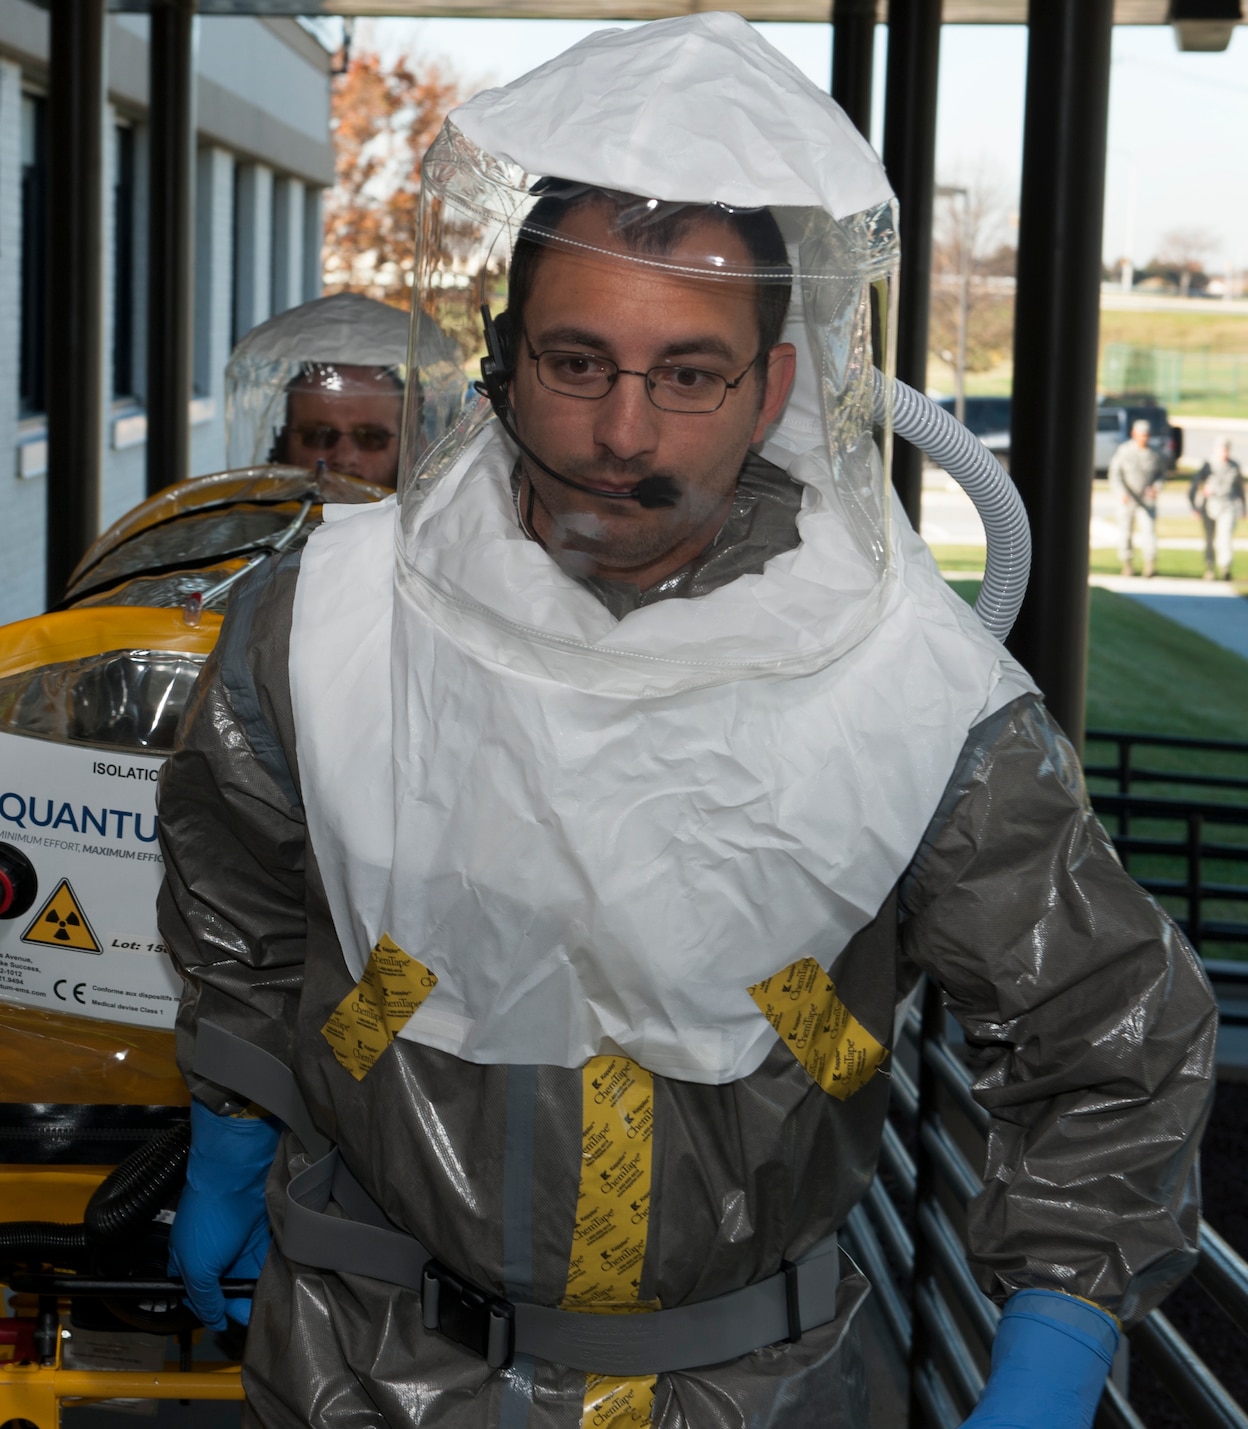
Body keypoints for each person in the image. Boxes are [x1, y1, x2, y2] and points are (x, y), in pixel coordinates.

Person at [157, 16, 1212, 1429]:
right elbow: (239, 883)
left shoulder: (914, 689)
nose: (626, 434)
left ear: (777, 386)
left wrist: (1055, 1336)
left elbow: (1106, 1030)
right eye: (579, 361)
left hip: (743, 1385)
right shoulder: (331, 622)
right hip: (366, 1353)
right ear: (500, 357)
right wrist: (230, 1116)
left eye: (691, 371)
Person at [225, 292, 462, 490]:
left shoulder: (439, 544)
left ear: (412, 450)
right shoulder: (244, 540)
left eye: (371, 438)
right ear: (284, 443)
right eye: (319, 435)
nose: (344, 458)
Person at [1111, 418, 1170, 578]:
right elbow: (1115, 474)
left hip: (1146, 500)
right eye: (1141, 435)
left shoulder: (1155, 454)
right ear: (1134, 434)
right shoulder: (1124, 451)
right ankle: (1127, 565)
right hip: (1128, 499)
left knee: (1149, 532)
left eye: (1147, 435)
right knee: (1125, 532)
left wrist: (1156, 488)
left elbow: (1162, 475)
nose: (1144, 438)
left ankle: (1149, 565)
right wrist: (1121, 492)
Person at [1194, 438, 1245, 581]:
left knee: (1226, 537)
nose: (1224, 452)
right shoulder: (1208, 465)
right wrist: (1198, 502)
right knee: (1210, 539)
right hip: (1210, 504)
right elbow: (1196, 482)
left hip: (1228, 504)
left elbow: (1239, 488)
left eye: (1227, 449)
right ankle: (1209, 567)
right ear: (1216, 450)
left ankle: (1225, 568)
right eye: (1222, 449)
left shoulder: (1234, 466)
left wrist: (1243, 507)